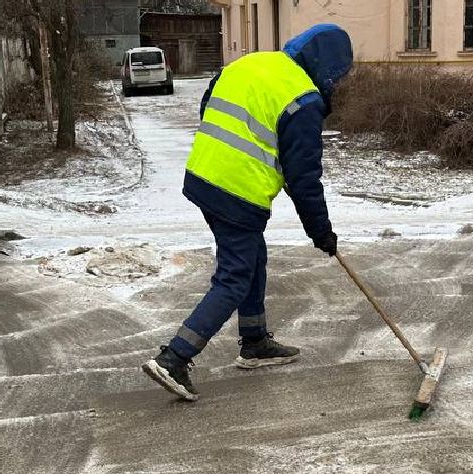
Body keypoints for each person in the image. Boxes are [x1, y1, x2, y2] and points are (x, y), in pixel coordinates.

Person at [143, 23, 353, 401]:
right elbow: (305, 180)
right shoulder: (303, 99)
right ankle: (174, 358)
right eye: (338, 77)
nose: (336, 84)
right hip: (237, 192)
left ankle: (254, 342)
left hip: (204, 175)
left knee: (253, 257)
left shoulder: (251, 64)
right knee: (234, 277)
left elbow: (208, 105)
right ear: (329, 67)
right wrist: (321, 232)